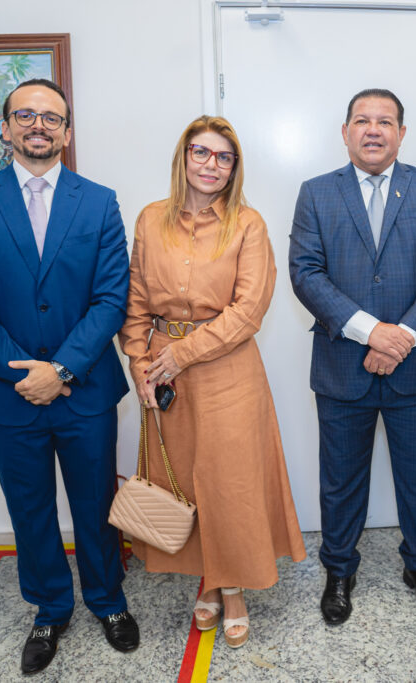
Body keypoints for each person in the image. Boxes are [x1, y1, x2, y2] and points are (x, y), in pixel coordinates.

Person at [0, 78, 138, 675]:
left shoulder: (99, 200)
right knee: (29, 509)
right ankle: (50, 607)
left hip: (85, 390)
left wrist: (62, 369)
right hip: (8, 394)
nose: (38, 126)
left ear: (68, 132)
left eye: (51, 118)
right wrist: (24, 372)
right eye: (25, 115)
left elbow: (111, 298)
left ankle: (107, 601)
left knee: (95, 503)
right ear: (4, 128)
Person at [118, 115, 306, 649]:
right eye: (201, 153)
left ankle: (234, 588)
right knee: (183, 479)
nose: (211, 165)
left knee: (230, 482)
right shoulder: (150, 219)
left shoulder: (248, 224)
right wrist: (139, 361)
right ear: (183, 157)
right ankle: (208, 576)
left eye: (224, 157)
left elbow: (249, 311)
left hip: (227, 368)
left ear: (234, 168)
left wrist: (181, 354)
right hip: (161, 368)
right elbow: (134, 300)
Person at [289, 88, 416, 625]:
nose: (373, 130)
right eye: (362, 121)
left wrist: (402, 337)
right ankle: (339, 570)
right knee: (340, 479)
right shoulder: (316, 193)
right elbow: (306, 273)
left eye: (384, 121)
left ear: (401, 134)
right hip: (344, 366)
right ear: (345, 132)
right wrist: (371, 334)